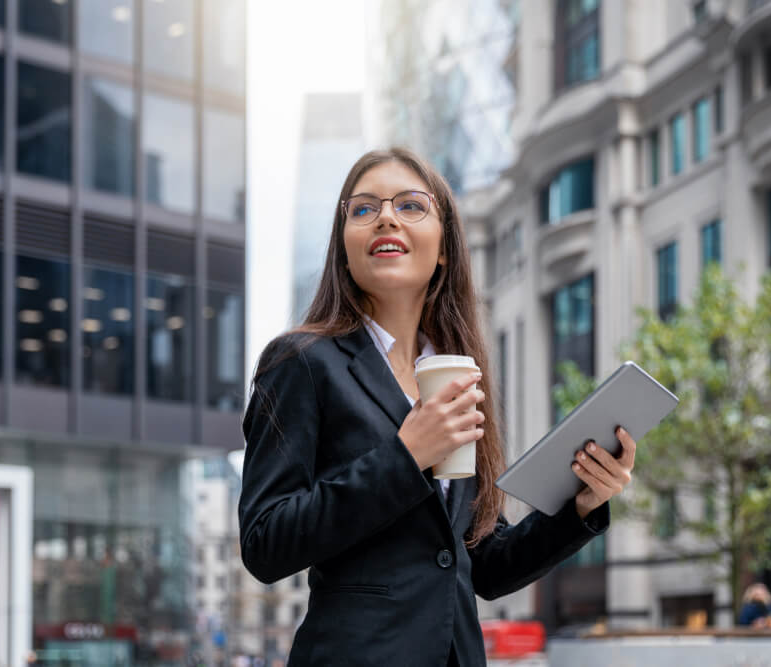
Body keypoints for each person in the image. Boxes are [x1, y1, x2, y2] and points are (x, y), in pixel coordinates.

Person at [238, 148, 636, 666]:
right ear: (344, 249)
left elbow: (482, 563)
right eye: (362, 209)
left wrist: (581, 506)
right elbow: (266, 543)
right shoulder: (301, 363)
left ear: (444, 247)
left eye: (409, 205)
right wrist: (406, 455)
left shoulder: (454, 373)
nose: (384, 216)